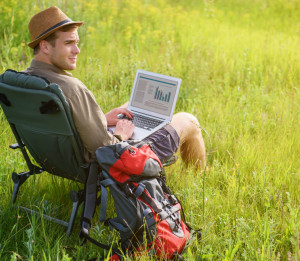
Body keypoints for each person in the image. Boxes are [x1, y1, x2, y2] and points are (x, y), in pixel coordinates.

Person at [24, 6, 206, 169]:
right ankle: (198, 181)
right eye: (69, 43)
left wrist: (101, 120)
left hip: (61, 159)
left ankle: (150, 124)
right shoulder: (71, 89)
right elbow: (105, 149)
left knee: (130, 106)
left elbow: (64, 128)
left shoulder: (23, 82)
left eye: (77, 43)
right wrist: (120, 136)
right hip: (112, 160)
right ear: (46, 47)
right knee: (188, 120)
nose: (77, 50)